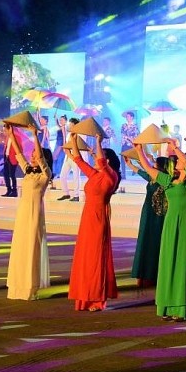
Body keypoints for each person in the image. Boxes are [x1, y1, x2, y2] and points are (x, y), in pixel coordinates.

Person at [136, 141, 186, 321]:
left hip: (184, 225)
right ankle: (165, 306)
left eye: (179, 160)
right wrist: (139, 150)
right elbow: (149, 169)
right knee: (166, 264)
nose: (176, 162)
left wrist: (176, 147)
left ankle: (180, 309)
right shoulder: (170, 181)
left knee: (181, 265)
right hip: (169, 224)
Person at [67, 133, 121, 311]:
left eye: (102, 158)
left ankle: (97, 299)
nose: (99, 160)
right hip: (87, 218)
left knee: (95, 258)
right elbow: (78, 160)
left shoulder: (110, 177)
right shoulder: (95, 175)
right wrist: (73, 140)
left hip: (98, 219)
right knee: (85, 257)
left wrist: (98, 142)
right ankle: (84, 296)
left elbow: (101, 162)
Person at [5, 124, 52, 300]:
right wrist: (11, 135)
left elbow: (40, 157)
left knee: (32, 249)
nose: (32, 157)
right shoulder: (28, 172)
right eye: (31, 155)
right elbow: (19, 155)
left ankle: (30, 287)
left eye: (35, 155)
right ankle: (17, 284)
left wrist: (34, 135)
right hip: (23, 215)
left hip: (34, 216)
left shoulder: (45, 175)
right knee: (19, 249)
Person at [125, 150, 168, 288]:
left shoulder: (166, 179)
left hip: (159, 215)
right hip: (148, 213)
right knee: (145, 239)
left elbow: (147, 169)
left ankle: (153, 275)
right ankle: (143, 274)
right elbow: (143, 172)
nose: (153, 166)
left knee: (155, 241)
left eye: (155, 165)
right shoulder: (152, 177)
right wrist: (130, 165)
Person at [57, 118, 82, 201]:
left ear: (75, 125)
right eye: (69, 124)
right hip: (68, 157)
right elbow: (66, 144)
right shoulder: (69, 134)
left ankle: (76, 195)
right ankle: (66, 193)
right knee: (62, 176)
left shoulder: (80, 134)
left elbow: (79, 146)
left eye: (71, 124)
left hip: (75, 157)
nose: (69, 125)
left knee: (76, 177)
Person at [120, 111, 139, 179]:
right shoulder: (123, 125)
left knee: (133, 158)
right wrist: (127, 137)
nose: (126, 118)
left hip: (131, 144)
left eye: (128, 116)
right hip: (124, 143)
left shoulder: (135, 126)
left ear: (132, 117)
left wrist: (131, 139)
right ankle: (123, 174)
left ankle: (135, 169)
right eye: (126, 116)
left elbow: (136, 135)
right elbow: (122, 133)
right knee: (122, 158)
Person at [1, 133, 19, 197]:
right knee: (6, 174)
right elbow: (7, 147)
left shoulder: (16, 137)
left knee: (12, 175)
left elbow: (19, 148)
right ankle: (9, 190)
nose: (4, 131)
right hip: (7, 157)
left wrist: (17, 158)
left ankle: (14, 191)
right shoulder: (7, 137)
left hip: (13, 158)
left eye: (5, 129)